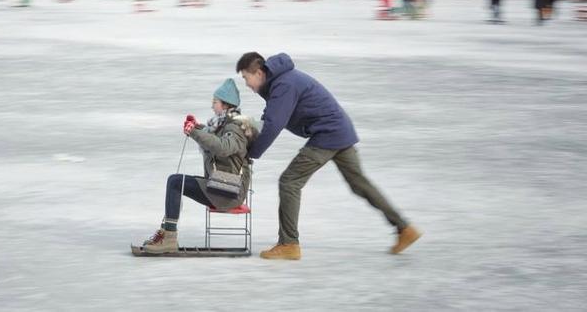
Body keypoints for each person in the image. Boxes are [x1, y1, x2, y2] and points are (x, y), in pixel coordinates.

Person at [236, 52, 421, 260]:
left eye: (246, 77)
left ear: (259, 72)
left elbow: (273, 125)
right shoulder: (280, 82)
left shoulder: (283, 85)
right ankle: (405, 228)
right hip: (339, 130)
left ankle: (289, 244)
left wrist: (251, 153)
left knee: (289, 182)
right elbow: (271, 117)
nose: (246, 84)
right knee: (359, 184)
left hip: (327, 134)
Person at [142, 79, 259, 254]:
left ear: (226, 105)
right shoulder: (227, 124)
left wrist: (195, 132)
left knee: (175, 182)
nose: (212, 106)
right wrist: (197, 127)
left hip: (229, 192)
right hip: (222, 185)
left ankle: (169, 237)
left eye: (215, 102)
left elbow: (222, 147)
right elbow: (215, 136)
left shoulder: (236, 129)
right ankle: (167, 232)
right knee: (176, 182)